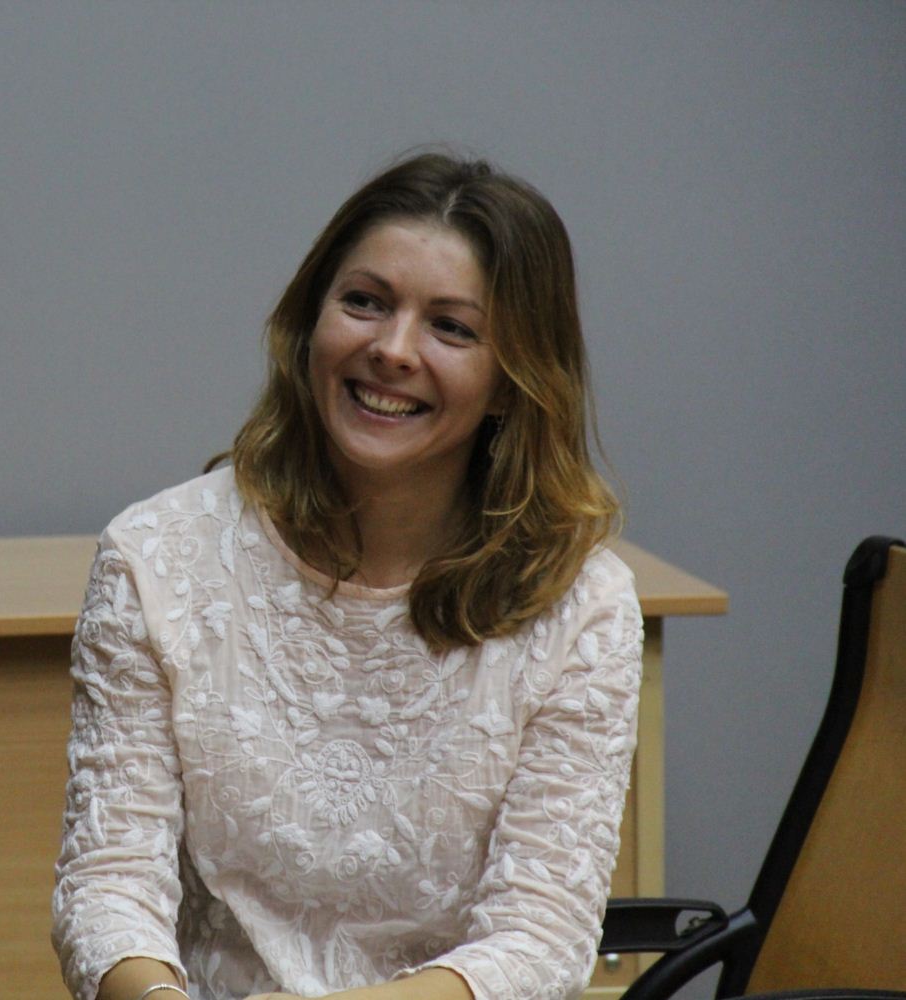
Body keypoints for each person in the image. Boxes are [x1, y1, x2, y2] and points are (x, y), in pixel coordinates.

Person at [51, 151, 643, 1000]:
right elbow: (107, 887)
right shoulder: (156, 558)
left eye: (452, 328)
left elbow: (538, 940)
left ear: (512, 383)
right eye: (365, 302)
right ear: (310, 324)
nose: (391, 350)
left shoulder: (582, 607)